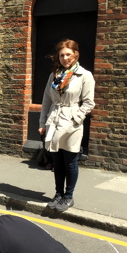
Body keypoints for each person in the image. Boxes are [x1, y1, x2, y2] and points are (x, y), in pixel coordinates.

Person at [38, 39, 95, 212]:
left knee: (70, 162)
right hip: (54, 121)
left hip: (71, 123)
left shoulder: (84, 75)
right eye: (62, 55)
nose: (65, 58)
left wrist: (75, 119)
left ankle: (68, 197)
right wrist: (42, 123)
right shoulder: (55, 75)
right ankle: (58, 194)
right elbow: (46, 101)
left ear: (75, 55)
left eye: (68, 54)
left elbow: (89, 103)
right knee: (57, 161)